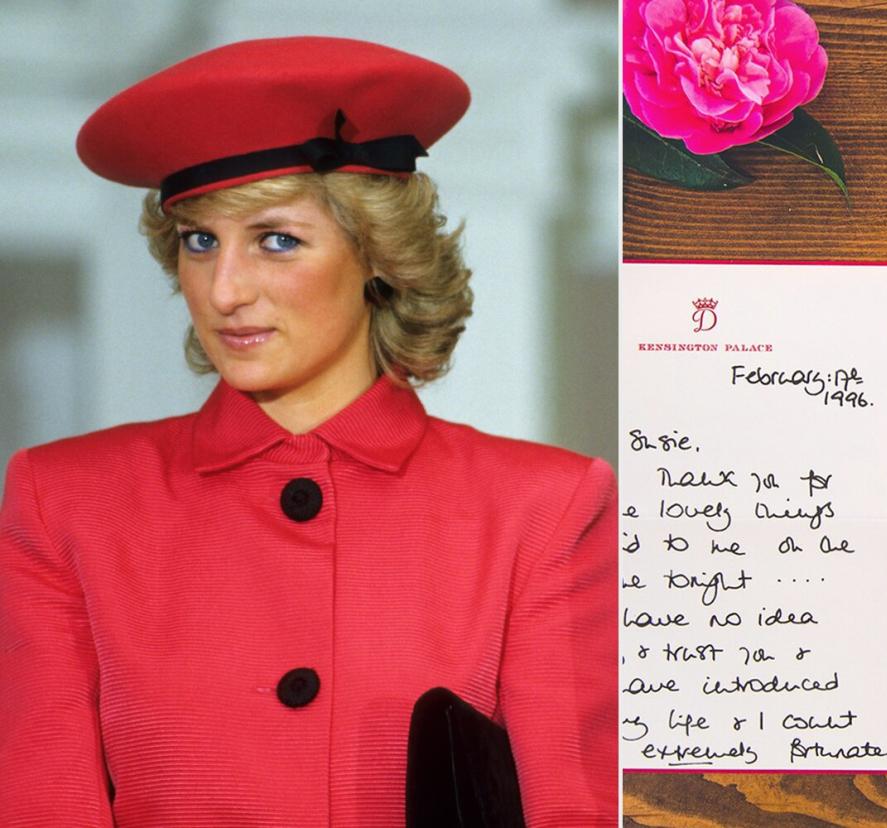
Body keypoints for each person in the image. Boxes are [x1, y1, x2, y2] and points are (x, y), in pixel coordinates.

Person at [0, 36, 616, 827]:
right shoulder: (64, 500)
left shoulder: (546, 508)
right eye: (199, 242)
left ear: (376, 256)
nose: (224, 290)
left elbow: (577, 813)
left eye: (276, 240)